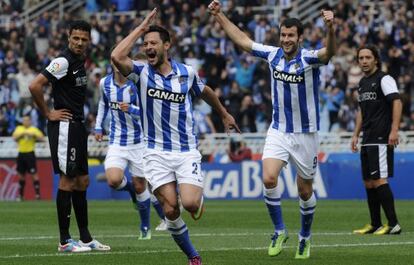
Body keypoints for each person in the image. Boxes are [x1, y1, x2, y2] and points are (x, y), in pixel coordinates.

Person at [111, 8, 240, 265]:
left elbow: (206, 92)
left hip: (185, 150)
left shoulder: (187, 73)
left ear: (166, 46)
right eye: (145, 43)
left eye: (153, 43)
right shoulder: (140, 73)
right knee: (170, 209)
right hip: (155, 153)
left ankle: (195, 200)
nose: (148, 47)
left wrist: (224, 114)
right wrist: (141, 27)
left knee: (190, 205)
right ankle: (193, 256)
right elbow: (116, 55)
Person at [208, 1, 335, 259]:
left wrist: (330, 28)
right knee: (268, 178)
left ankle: (305, 237)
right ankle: (279, 230)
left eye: (291, 35)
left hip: (306, 134)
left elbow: (328, 53)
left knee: (304, 191)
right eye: (283, 35)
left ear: (300, 38)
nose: (286, 39)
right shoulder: (272, 54)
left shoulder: (309, 59)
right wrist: (220, 15)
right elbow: (243, 41)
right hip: (278, 130)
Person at [29, 20, 110, 253]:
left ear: (89, 40)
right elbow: (35, 85)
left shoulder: (79, 62)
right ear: (68, 38)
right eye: (75, 38)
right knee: (67, 180)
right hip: (64, 126)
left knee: (83, 180)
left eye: (84, 39)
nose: (79, 42)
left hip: (77, 127)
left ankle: (85, 238)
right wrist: (47, 113)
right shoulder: (62, 61)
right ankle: (64, 241)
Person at [94, 61, 167, 238]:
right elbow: (103, 104)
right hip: (117, 140)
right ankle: (131, 190)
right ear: (112, 63)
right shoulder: (105, 83)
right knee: (113, 180)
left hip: (139, 142)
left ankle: (145, 227)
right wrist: (98, 127)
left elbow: (149, 109)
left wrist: (132, 109)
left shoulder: (136, 83)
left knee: (142, 184)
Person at [351, 45, 402, 235]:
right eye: (361, 58)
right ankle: (375, 223)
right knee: (369, 182)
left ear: (376, 60)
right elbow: (361, 112)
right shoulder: (363, 83)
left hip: (381, 137)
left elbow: (397, 101)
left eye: (367, 57)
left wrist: (394, 130)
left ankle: (394, 224)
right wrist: (356, 134)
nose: (364, 61)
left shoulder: (384, 79)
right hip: (367, 137)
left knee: (380, 180)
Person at [12, 114, 44, 201]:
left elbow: (42, 138)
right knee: (21, 175)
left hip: (30, 154)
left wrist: (33, 135)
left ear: (30, 121)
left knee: (34, 174)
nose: (25, 121)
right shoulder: (19, 129)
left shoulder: (33, 129)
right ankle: (21, 195)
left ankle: (37, 195)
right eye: (24, 120)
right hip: (21, 154)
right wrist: (23, 134)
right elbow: (14, 138)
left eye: (27, 120)